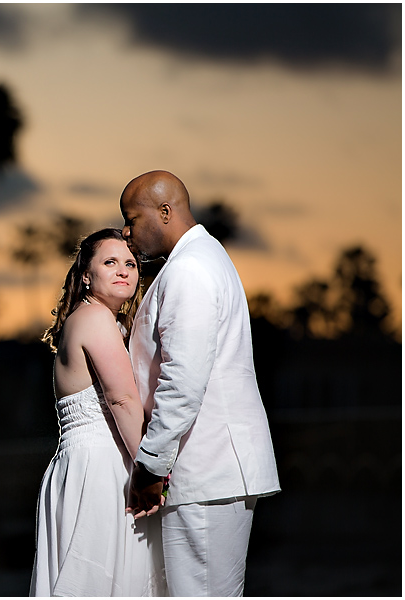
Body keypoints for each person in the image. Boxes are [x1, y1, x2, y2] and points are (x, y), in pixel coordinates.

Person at [120, 170, 281, 596]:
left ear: (166, 212)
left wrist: (151, 464)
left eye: (132, 218)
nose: (126, 230)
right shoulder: (205, 257)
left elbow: (183, 377)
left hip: (207, 468)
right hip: (212, 468)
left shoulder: (189, 270)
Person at [31, 228, 166, 597]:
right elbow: (122, 400)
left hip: (84, 464)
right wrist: (152, 469)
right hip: (99, 469)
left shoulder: (92, 318)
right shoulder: (95, 319)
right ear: (87, 275)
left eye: (131, 263)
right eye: (110, 262)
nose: (123, 270)